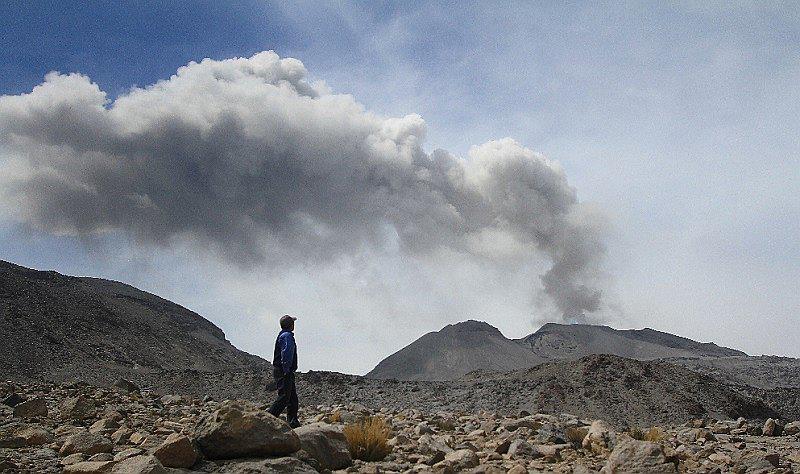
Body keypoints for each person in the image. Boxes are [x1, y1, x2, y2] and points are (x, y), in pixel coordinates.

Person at [268, 314, 300, 428]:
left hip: (283, 370)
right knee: (284, 397)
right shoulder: (287, 336)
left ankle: (293, 422)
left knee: (292, 398)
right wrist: (286, 369)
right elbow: (287, 353)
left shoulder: (283, 335)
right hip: (284, 371)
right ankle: (268, 419)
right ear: (291, 325)